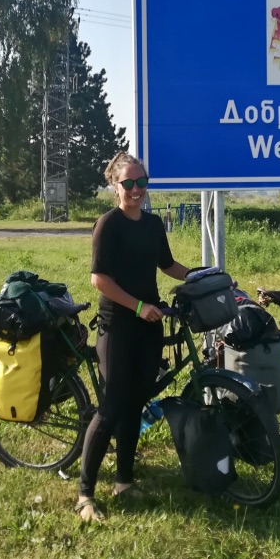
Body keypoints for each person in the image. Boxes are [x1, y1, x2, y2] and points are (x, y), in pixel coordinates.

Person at [74, 152, 191, 523]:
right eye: (129, 183)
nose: (136, 189)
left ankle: (124, 481)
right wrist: (138, 306)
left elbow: (167, 265)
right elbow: (99, 279)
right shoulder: (108, 224)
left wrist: (201, 276)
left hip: (148, 326)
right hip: (118, 326)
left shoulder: (153, 224)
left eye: (142, 182)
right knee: (110, 408)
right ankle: (85, 494)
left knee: (134, 404)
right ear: (115, 185)